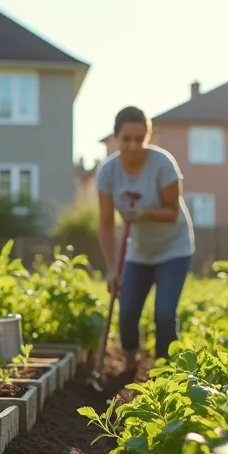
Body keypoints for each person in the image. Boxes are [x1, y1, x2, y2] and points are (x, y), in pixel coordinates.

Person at [96, 106, 196, 374]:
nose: (132, 146)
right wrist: (111, 269)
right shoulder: (107, 173)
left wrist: (142, 213)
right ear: (116, 137)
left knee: (164, 314)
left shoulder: (163, 164)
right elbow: (106, 224)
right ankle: (129, 365)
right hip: (138, 253)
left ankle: (166, 371)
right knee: (127, 312)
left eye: (139, 139)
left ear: (148, 137)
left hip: (174, 249)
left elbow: (171, 212)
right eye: (126, 139)